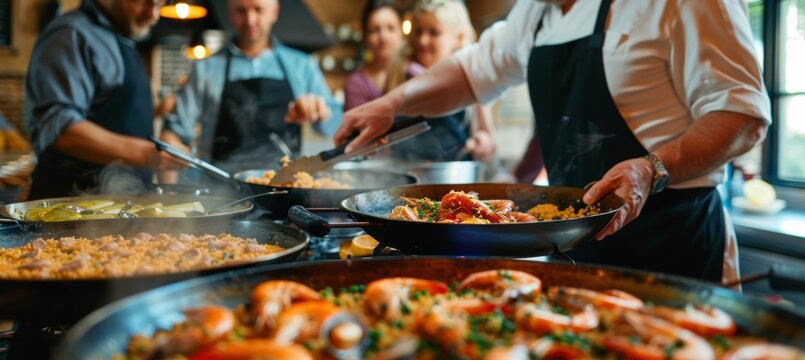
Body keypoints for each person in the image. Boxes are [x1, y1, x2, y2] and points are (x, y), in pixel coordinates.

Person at [334, 0, 770, 282]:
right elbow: (471, 73)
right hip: (576, 247)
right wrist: (392, 103)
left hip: (671, 243)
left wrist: (652, 166)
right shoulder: (536, 11)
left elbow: (743, 115)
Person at [25, 0, 186, 200]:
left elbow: (109, 114)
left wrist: (155, 116)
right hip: (71, 210)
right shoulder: (72, 33)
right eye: (145, 2)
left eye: (159, 4)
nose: (153, 15)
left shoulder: (121, 36)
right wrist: (148, 154)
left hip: (120, 209)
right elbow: (58, 127)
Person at [160, 0, 341, 175]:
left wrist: (320, 111)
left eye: (259, 9)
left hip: (286, 186)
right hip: (221, 190)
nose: (250, 20)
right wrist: (170, 147)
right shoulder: (206, 68)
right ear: (230, 13)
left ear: (274, 12)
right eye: (241, 10)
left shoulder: (302, 65)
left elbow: (333, 128)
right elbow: (174, 134)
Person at [384, 0, 495, 161]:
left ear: (458, 38)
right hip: (407, 175)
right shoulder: (398, 73)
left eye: (434, 33)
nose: (422, 40)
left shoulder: (472, 77)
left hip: (454, 178)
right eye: (418, 32)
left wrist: (482, 142)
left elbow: (488, 139)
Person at [344, 0, 405, 112]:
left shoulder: (414, 71)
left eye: (391, 28)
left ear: (401, 31)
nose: (383, 37)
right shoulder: (356, 83)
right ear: (365, 37)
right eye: (374, 30)